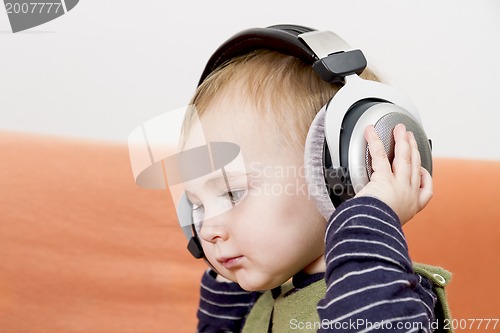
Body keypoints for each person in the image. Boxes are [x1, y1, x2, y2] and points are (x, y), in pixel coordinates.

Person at [177, 25, 452, 332]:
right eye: (197, 205)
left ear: (341, 177)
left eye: (232, 194)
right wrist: (228, 286)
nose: (208, 230)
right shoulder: (269, 299)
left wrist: (367, 218)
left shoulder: (384, 298)